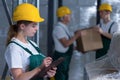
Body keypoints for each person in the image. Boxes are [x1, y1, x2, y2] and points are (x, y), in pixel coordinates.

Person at [4, 3, 56, 80]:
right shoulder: (14, 48)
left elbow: (37, 74)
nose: (37, 29)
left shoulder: (33, 44)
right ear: (22, 26)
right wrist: (40, 68)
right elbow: (18, 78)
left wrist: (47, 72)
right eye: (33, 26)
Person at [52, 6, 81, 80]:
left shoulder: (64, 27)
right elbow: (66, 44)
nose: (70, 16)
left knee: (64, 76)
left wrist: (78, 48)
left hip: (65, 59)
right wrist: (77, 35)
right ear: (62, 17)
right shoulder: (58, 28)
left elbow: (68, 45)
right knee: (60, 77)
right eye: (68, 15)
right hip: (60, 58)